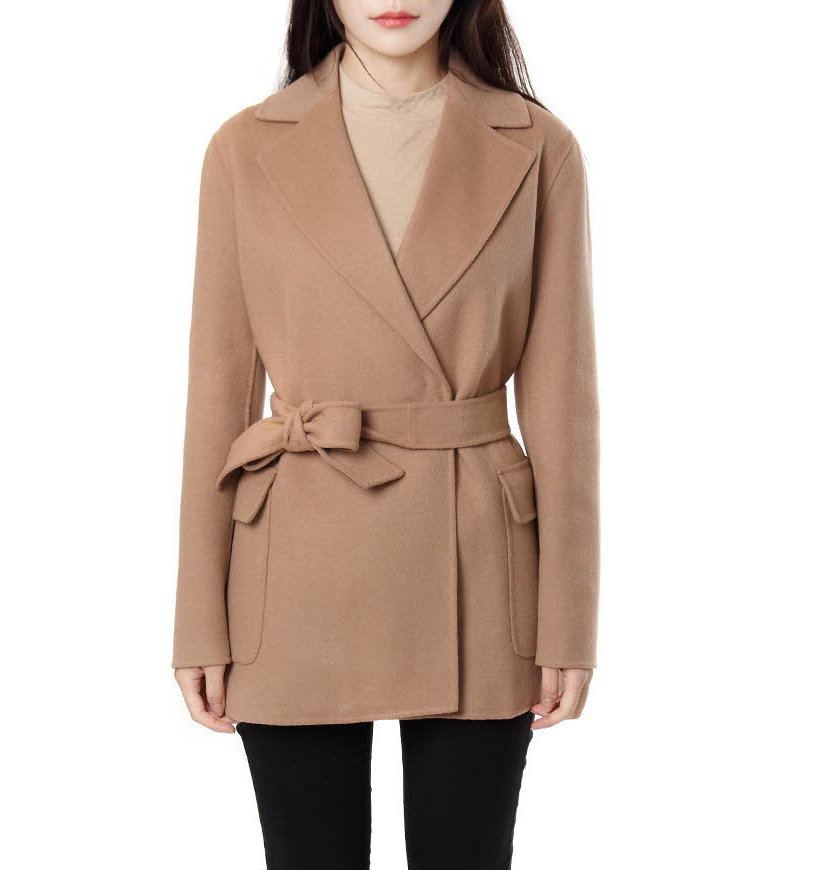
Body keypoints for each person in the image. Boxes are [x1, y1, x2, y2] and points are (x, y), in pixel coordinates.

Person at [172, 1, 599, 867]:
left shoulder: (539, 146)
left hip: (477, 562)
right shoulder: (244, 148)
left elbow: (564, 406)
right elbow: (216, 399)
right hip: (294, 567)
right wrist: (196, 620)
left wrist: (570, 619)